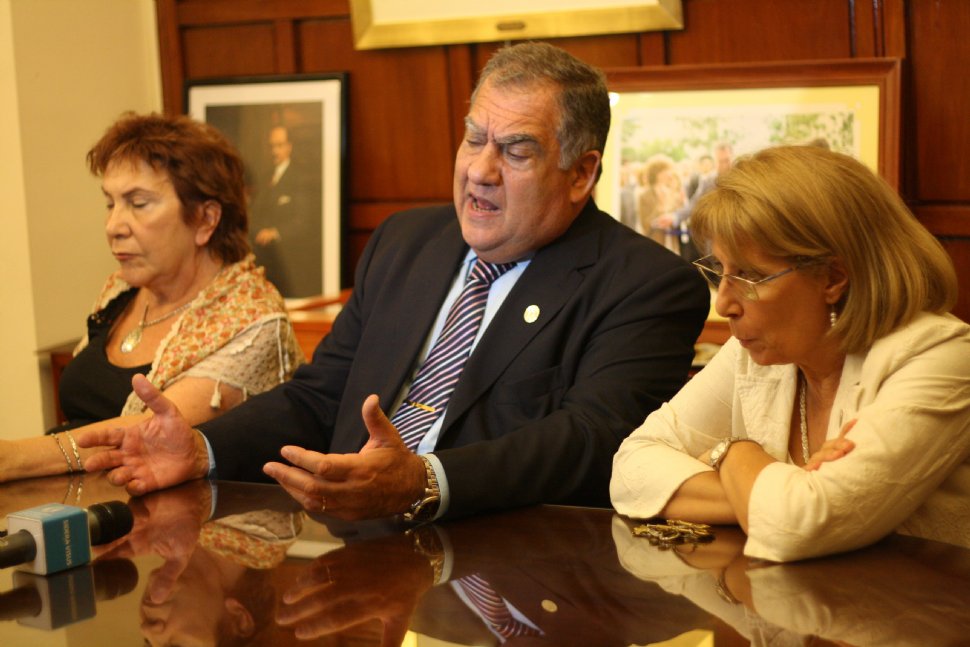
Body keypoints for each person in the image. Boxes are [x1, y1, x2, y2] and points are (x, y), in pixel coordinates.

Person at [84, 43, 710, 522]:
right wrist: (201, 449)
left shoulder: (647, 285)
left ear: (581, 173)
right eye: (474, 139)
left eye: (516, 151)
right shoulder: (405, 242)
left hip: (506, 569)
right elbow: (320, 397)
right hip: (344, 542)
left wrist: (425, 480)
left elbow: (590, 441)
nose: (480, 170)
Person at [610, 145, 970, 562]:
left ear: (832, 277)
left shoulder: (940, 356)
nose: (723, 303)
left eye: (750, 275)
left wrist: (734, 453)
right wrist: (785, 487)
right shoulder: (758, 351)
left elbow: (800, 526)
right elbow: (630, 468)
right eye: (721, 271)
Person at [0, 112, 304, 484]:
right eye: (110, 204)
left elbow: (148, 436)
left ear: (206, 219)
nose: (113, 226)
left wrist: (13, 458)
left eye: (138, 203)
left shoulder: (254, 320)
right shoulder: (121, 290)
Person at [249, 123, 323, 297]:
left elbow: (303, 222)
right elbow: (256, 212)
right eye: (272, 146)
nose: (275, 151)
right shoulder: (265, 177)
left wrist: (275, 232)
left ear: (289, 146)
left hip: (290, 259)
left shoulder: (299, 177)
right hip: (264, 257)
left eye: (280, 145)